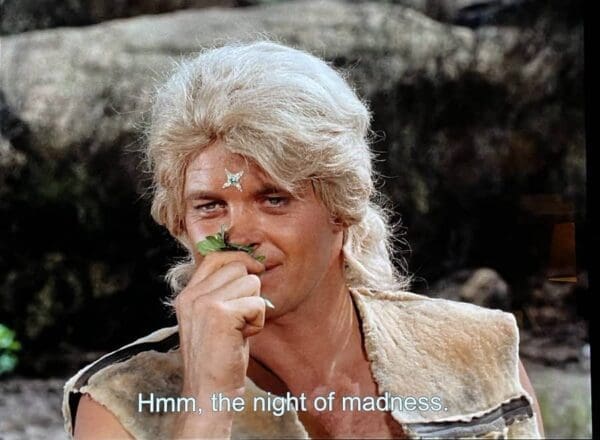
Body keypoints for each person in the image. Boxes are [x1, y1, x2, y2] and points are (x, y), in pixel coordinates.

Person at [62, 40, 544, 439]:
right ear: (180, 223)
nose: (238, 235)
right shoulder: (120, 404)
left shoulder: (476, 350)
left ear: (340, 207)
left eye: (273, 199)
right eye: (210, 206)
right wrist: (207, 403)